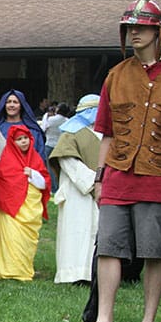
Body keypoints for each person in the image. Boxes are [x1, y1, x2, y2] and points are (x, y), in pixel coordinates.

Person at [76, 0, 161, 322]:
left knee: (154, 251)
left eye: (142, 27)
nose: (134, 33)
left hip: (158, 177)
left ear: (158, 32)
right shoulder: (115, 75)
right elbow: (108, 134)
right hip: (117, 176)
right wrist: (99, 178)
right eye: (130, 27)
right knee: (108, 248)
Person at [48, 94, 101, 284]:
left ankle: (95, 273)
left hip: (100, 192)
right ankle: (74, 273)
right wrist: (92, 182)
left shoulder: (105, 134)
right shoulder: (71, 133)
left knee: (96, 231)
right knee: (77, 232)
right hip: (77, 192)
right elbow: (67, 161)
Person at [0, 125, 50, 281]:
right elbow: (1, 182)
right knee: (12, 238)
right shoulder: (6, 161)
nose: (23, 142)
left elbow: (45, 182)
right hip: (11, 210)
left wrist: (32, 174)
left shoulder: (35, 159)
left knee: (25, 242)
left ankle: (23, 268)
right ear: (12, 142)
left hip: (30, 207)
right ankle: (9, 270)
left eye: (25, 138)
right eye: (19, 139)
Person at [0, 89, 46, 158]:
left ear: (21, 106)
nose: (11, 105)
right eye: (8, 102)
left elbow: (40, 155)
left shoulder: (32, 129)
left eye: (15, 102)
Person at [41, 102, 69, 192]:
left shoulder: (50, 119)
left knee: (49, 167)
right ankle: (61, 186)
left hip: (49, 144)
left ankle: (53, 187)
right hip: (60, 146)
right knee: (59, 167)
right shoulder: (67, 120)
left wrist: (46, 116)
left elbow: (43, 128)